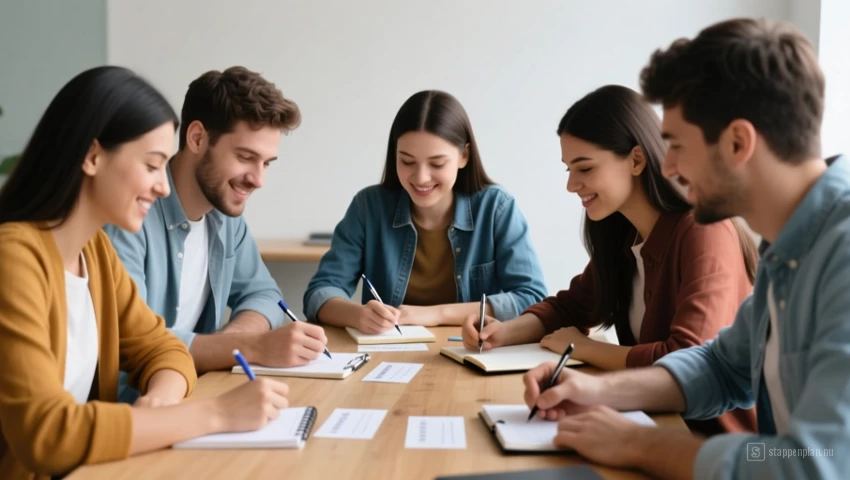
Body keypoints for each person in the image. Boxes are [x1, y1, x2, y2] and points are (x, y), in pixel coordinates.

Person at [523, 18, 848, 479]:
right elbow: (720, 367)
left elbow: (815, 464)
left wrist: (640, 443)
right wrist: (597, 392)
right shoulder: (791, 247)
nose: (668, 165)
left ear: (737, 142)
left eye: (675, 144)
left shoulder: (841, 253)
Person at [0, 66, 290, 480]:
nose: (164, 187)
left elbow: (163, 349)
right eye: (152, 165)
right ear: (93, 157)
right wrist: (216, 413)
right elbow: (47, 433)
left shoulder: (94, 254)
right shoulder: (13, 259)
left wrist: (159, 403)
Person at [462, 84, 758, 435]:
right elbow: (571, 307)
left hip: (709, 441)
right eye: (568, 170)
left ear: (636, 160)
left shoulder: (704, 231)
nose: (571, 185)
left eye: (585, 168)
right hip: (649, 422)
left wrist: (585, 349)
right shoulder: (623, 233)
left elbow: (686, 359)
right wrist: (502, 332)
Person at [105, 67, 328, 402]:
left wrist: (233, 341)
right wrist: (250, 347)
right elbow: (132, 340)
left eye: (267, 163)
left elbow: (265, 294)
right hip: (132, 408)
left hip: (193, 394)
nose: (258, 180)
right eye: (245, 157)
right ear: (197, 138)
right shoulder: (129, 215)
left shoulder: (224, 217)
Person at [303, 90, 547, 333]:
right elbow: (319, 292)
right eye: (407, 161)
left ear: (464, 156)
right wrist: (357, 315)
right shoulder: (368, 207)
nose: (421, 178)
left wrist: (436, 314)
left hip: (469, 350)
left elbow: (531, 297)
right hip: (388, 351)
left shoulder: (496, 208)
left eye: (437, 163)